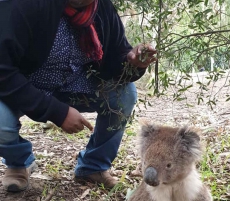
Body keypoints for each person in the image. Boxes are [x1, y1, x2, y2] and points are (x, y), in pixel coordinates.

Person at [0, 0, 157, 192]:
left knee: (124, 94)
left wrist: (131, 63)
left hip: (76, 84)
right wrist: (57, 112)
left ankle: (93, 166)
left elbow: (116, 57)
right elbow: (3, 72)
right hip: (25, 86)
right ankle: (19, 162)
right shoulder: (22, 5)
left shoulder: (102, 8)